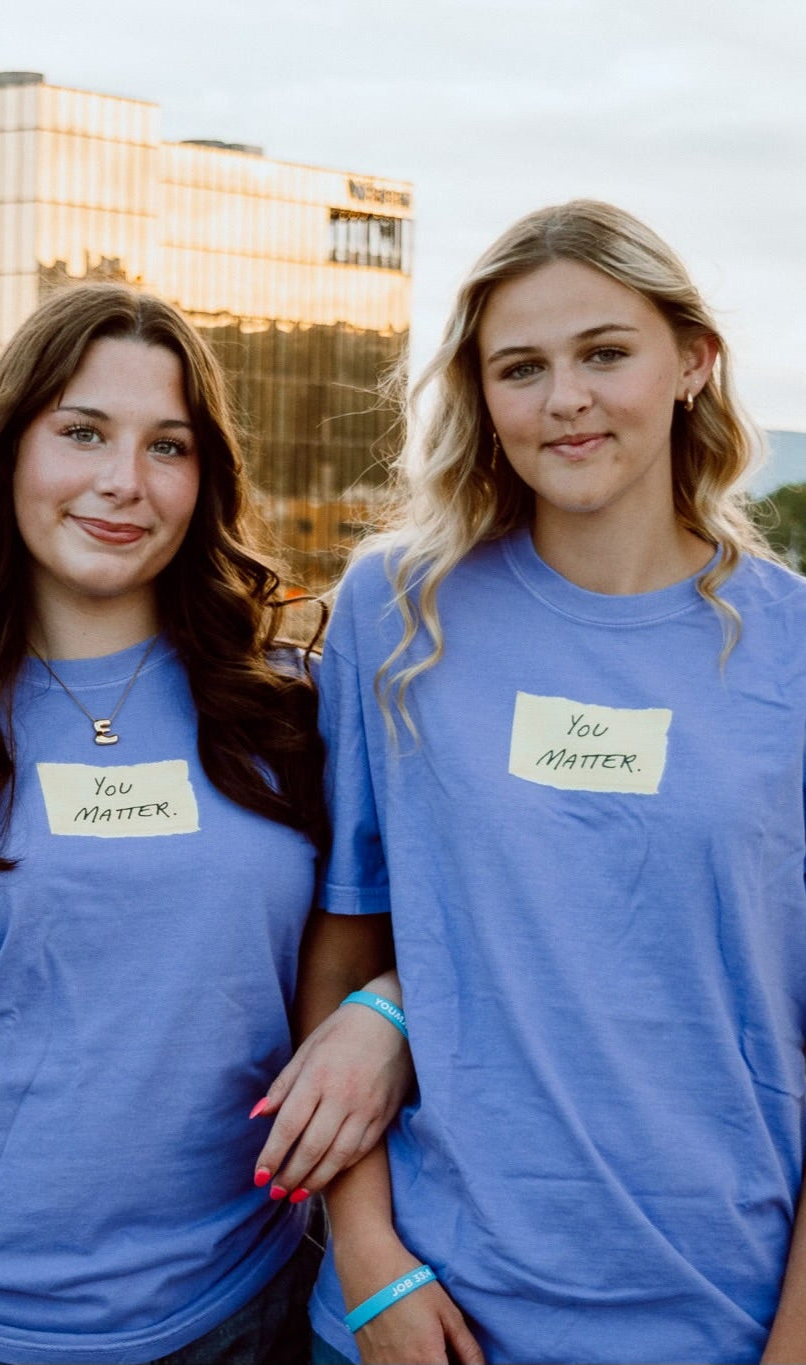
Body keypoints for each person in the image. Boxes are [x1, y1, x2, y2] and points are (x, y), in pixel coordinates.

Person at [0, 283, 408, 1365]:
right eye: (82, 432)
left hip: (242, 1314)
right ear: (10, 450)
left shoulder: (293, 714)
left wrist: (391, 1012)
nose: (122, 483)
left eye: (168, 445)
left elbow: (446, 922)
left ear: (206, 479)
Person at [302, 200, 806, 1364]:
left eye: (605, 353)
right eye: (521, 368)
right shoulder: (396, 612)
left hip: (718, 1311)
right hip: (426, 1312)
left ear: (693, 361)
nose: (566, 399)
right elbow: (341, 943)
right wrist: (367, 1255)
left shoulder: (791, 648)